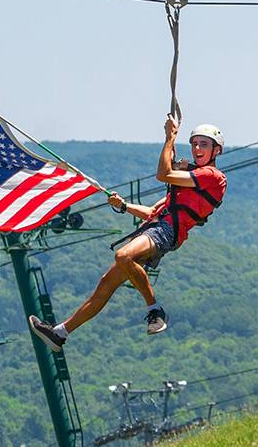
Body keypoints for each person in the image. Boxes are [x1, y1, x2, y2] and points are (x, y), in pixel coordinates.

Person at [28, 116, 226, 351]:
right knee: (106, 283)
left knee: (123, 256)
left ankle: (155, 310)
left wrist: (169, 138)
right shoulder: (187, 187)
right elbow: (152, 212)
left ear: (216, 150)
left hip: (167, 232)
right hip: (157, 227)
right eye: (195, 143)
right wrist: (123, 206)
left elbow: (163, 174)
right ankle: (59, 333)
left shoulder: (213, 176)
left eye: (204, 144)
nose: (197, 148)